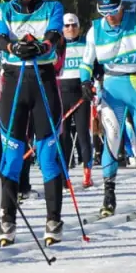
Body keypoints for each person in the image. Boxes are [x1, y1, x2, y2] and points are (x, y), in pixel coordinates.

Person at [0, 0, 65, 246]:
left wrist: (43, 46)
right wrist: (14, 47)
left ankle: (53, 220)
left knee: (47, 155)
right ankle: (7, 220)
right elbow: (0, 38)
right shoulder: (3, 9)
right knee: (11, 157)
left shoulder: (53, 6)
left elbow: (55, 35)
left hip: (43, 81)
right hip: (14, 82)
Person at [79, 0, 136, 217]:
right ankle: (109, 196)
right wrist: (85, 81)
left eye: (114, 10)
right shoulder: (95, 30)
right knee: (112, 137)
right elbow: (86, 62)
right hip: (111, 88)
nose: (110, 17)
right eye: (104, 12)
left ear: (121, 5)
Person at [58, 13, 92, 188]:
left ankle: (87, 173)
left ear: (79, 26)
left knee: (83, 134)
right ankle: (64, 176)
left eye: (74, 25)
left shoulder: (86, 43)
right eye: (67, 26)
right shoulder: (57, 45)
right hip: (61, 93)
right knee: (63, 136)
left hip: (81, 93)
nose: (70, 28)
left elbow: (96, 66)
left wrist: (93, 84)